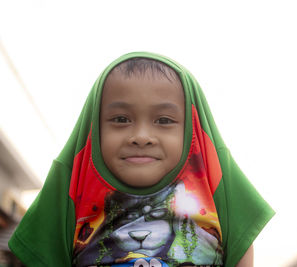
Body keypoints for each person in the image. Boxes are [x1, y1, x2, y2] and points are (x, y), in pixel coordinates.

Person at [8, 52, 275, 266]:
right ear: (93, 128)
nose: (141, 136)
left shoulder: (212, 178)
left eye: (164, 120)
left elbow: (241, 243)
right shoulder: (75, 182)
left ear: (192, 129)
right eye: (121, 119)